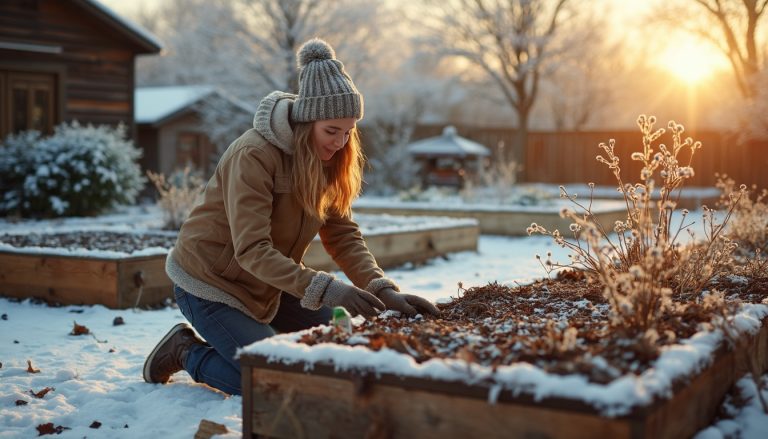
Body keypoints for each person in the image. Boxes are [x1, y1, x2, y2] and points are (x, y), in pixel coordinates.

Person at [142, 38, 441, 395]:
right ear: (306, 122)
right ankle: (184, 351)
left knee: (334, 348)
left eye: (348, 132)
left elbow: (343, 235)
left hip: (270, 283)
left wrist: (382, 289)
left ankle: (249, 339)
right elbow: (251, 250)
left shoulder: (327, 160)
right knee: (271, 380)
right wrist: (328, 288)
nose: (340, 142)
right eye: (331, 131)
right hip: (212, 284)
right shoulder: (254, 155)